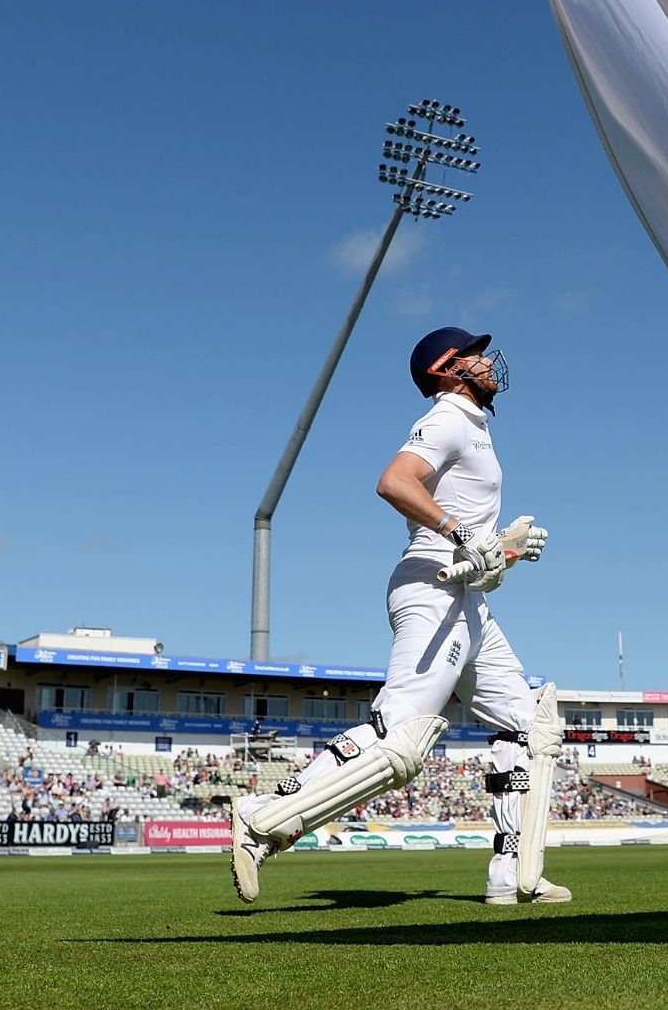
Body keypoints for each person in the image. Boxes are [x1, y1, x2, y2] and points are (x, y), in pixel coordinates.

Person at [229, 326, 569, 907]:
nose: (489, 362)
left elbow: (476, 546)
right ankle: (263, 817)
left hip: (467, 601)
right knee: (403, 738)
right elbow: (394, 481)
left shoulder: (476, 428)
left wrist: (502, 549)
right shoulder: (447, 419)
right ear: (447, 369)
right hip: (432, 591)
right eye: (475, 356)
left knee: (526, 725)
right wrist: (461, 534)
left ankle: (511, 873)